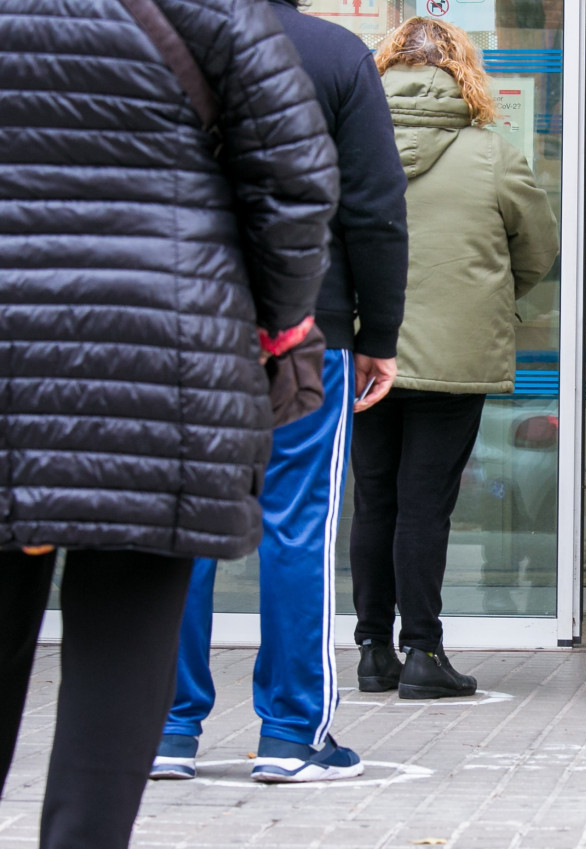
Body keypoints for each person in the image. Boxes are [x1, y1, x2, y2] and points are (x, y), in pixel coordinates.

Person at [0, 0, 338, 844]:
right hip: (160, 348)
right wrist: (273, 318)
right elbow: (294, 178)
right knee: (126, 628)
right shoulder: (213, 6)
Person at [150, 0, 410, 783]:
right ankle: (292, 736)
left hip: (181, 321)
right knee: (297, 523)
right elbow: (374, 210)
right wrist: (380, 335)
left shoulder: (162, 41)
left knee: (182, 524)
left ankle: (164, 729)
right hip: (304, 328)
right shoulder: (334, 53)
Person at [350, 17, 559, 699]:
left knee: (374, 499)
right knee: (425, 506)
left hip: (361, 351)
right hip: (457, 352)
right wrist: (494, 294)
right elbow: (539, 250)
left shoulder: (353, 146)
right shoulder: (492, 153)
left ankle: (373, 651)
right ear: (462, 71)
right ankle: (423, 652)